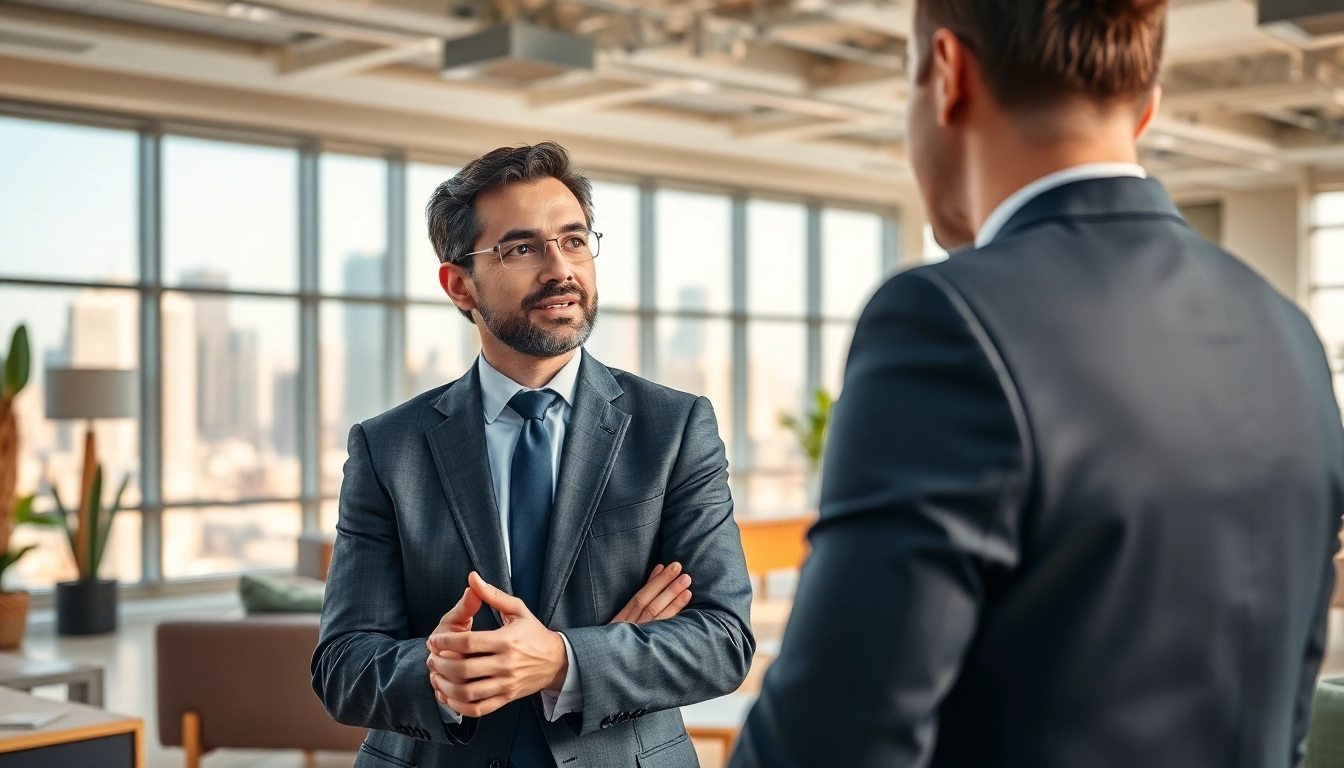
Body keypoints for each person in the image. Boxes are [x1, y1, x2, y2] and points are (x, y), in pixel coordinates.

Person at [731, 1, 1344, 766]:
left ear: (948, 73)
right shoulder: (1286, 332)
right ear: (1146, 105)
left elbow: (829, 745)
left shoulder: (947, 321)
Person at [312, 141, 753, 768]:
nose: (559, 269)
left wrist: (564, 659)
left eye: (574, 241)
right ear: (459, 284)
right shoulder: (389, 448)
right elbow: (342, 664)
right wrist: (443, 673)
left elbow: (723, 640)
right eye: (521, 248)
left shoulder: (674, 428)